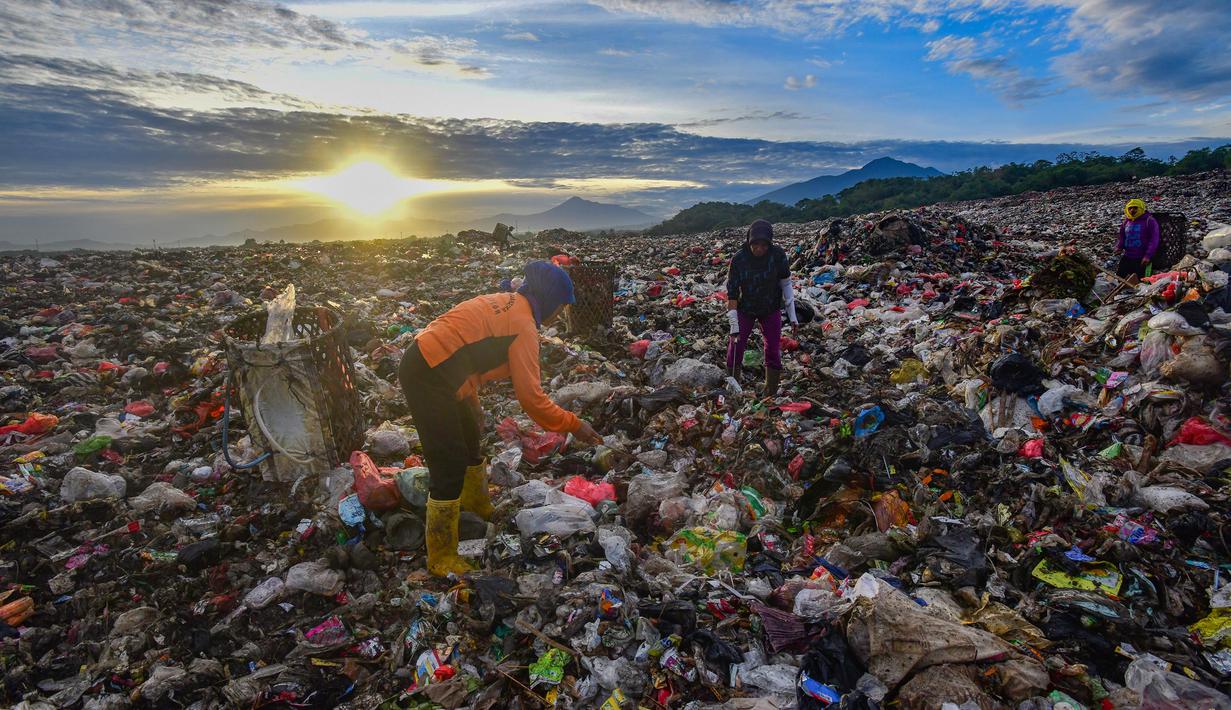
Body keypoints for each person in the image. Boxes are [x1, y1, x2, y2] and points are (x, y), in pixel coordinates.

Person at [399, 261, 603, 576]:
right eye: (561, 307)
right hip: (428, 372)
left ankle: (477, 507)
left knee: (470, 440)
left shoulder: (508, 304)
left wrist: (472, 399)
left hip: (436, 363)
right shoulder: (522, 325)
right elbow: (532, 400)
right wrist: (575, 424)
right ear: (548, 299)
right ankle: (441, 557)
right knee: (448, 462)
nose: (559, 315)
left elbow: (465, 353)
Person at [725, 219, 798, 394]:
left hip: (770, 307)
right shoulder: (739, 259)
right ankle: (733, 388)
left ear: (769, 244)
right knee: (735, 346)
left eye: (764, 245)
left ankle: (770, 391)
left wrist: (793, 316)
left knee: (773, 348)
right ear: (749, 241)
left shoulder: (777, 256)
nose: (759, 248)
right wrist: (733, 325)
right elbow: (732, 293)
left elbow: (786, 284)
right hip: (745, 308)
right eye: (755, 244)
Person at [1115, 198, 1160, 280]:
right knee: (1119, 278)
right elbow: (1122, 236)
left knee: (1140, 282)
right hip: (1127, 256)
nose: (1132, 210)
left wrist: (1147, 256)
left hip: (1141, 258)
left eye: (1136, 208)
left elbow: (1154, 239)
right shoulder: (1126, 221)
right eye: (1130, 208)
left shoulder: (1149, 221)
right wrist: (1120, 247)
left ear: (1141, 208)